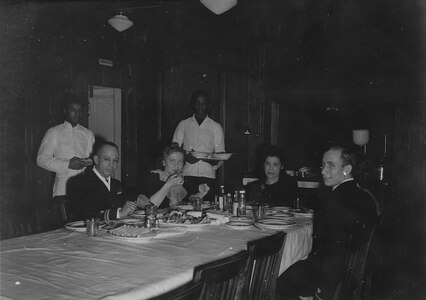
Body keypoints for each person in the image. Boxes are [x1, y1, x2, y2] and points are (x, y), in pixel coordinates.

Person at [277, 146, 377, 300]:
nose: (323, 171)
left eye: (331, 165)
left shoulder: (334, 201)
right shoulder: (365, 197)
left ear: (347, 169)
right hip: (350, 275)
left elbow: (334, 250)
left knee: (271, 280)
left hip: (329, 278)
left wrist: (321, 292)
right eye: (323, 165)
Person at [37, 94, 95, 226]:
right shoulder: (54, 132)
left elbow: (92, 159)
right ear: (65, 111)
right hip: (63, 190)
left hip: (84, 191)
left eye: (79, 111)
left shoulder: (87, 133)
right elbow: (41, 159)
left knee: (84, 228)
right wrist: (68, 163)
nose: (77, 114)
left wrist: (89, 162)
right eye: (73, 110)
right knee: (64, 229)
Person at [172, 91, 225, 202]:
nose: (200, 106)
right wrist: (185, 157)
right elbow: (174, 148)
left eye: (203, 103)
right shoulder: (183, 124)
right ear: (193, 105)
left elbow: (221, 155)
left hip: (208, 176)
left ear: (208, 105)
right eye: (197, 103)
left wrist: (211, 160)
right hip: (186, 176)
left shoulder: (216, 127)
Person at [67, 142, 137, 221]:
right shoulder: (79, 183)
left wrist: (137, 201)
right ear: (96, 160)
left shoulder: (116, 184)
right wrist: (119, 213)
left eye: (115, 160)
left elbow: (126, 202)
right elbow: (82, 216)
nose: (111, 164)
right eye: (107, 159)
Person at [139, 143, 210, 209]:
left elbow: (187, 203)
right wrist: (168, 184)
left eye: (180, 161)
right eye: (172, 160)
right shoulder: (153, 176)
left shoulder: (182, 179)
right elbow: (150, 206)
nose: (177, 165)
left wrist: (200, 194)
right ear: (164, 162)